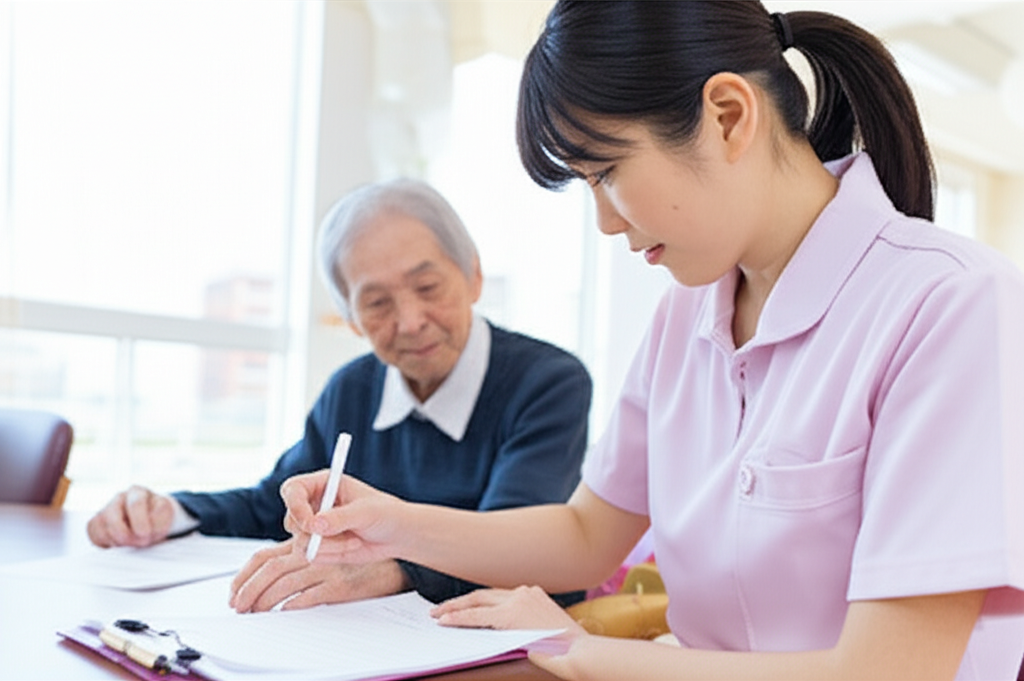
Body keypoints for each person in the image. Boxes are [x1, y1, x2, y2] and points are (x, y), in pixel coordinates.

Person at [269, 2, 1024, 679]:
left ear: (729, 115)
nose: (604, 220)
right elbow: (588, 533)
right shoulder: (687, 314)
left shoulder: (952, 304)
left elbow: (887, 672)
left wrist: (574, 646)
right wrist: (387, 523)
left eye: (606, 172)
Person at [86, 178, 592, 612]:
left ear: (474, 276)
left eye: (428, 287)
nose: (410, 321)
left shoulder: (548, 383)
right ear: (350, 318)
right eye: (376, 303)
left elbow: (512, 546)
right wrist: (167, 512)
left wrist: (392, 571)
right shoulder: (352, 388)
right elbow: (271, 506)